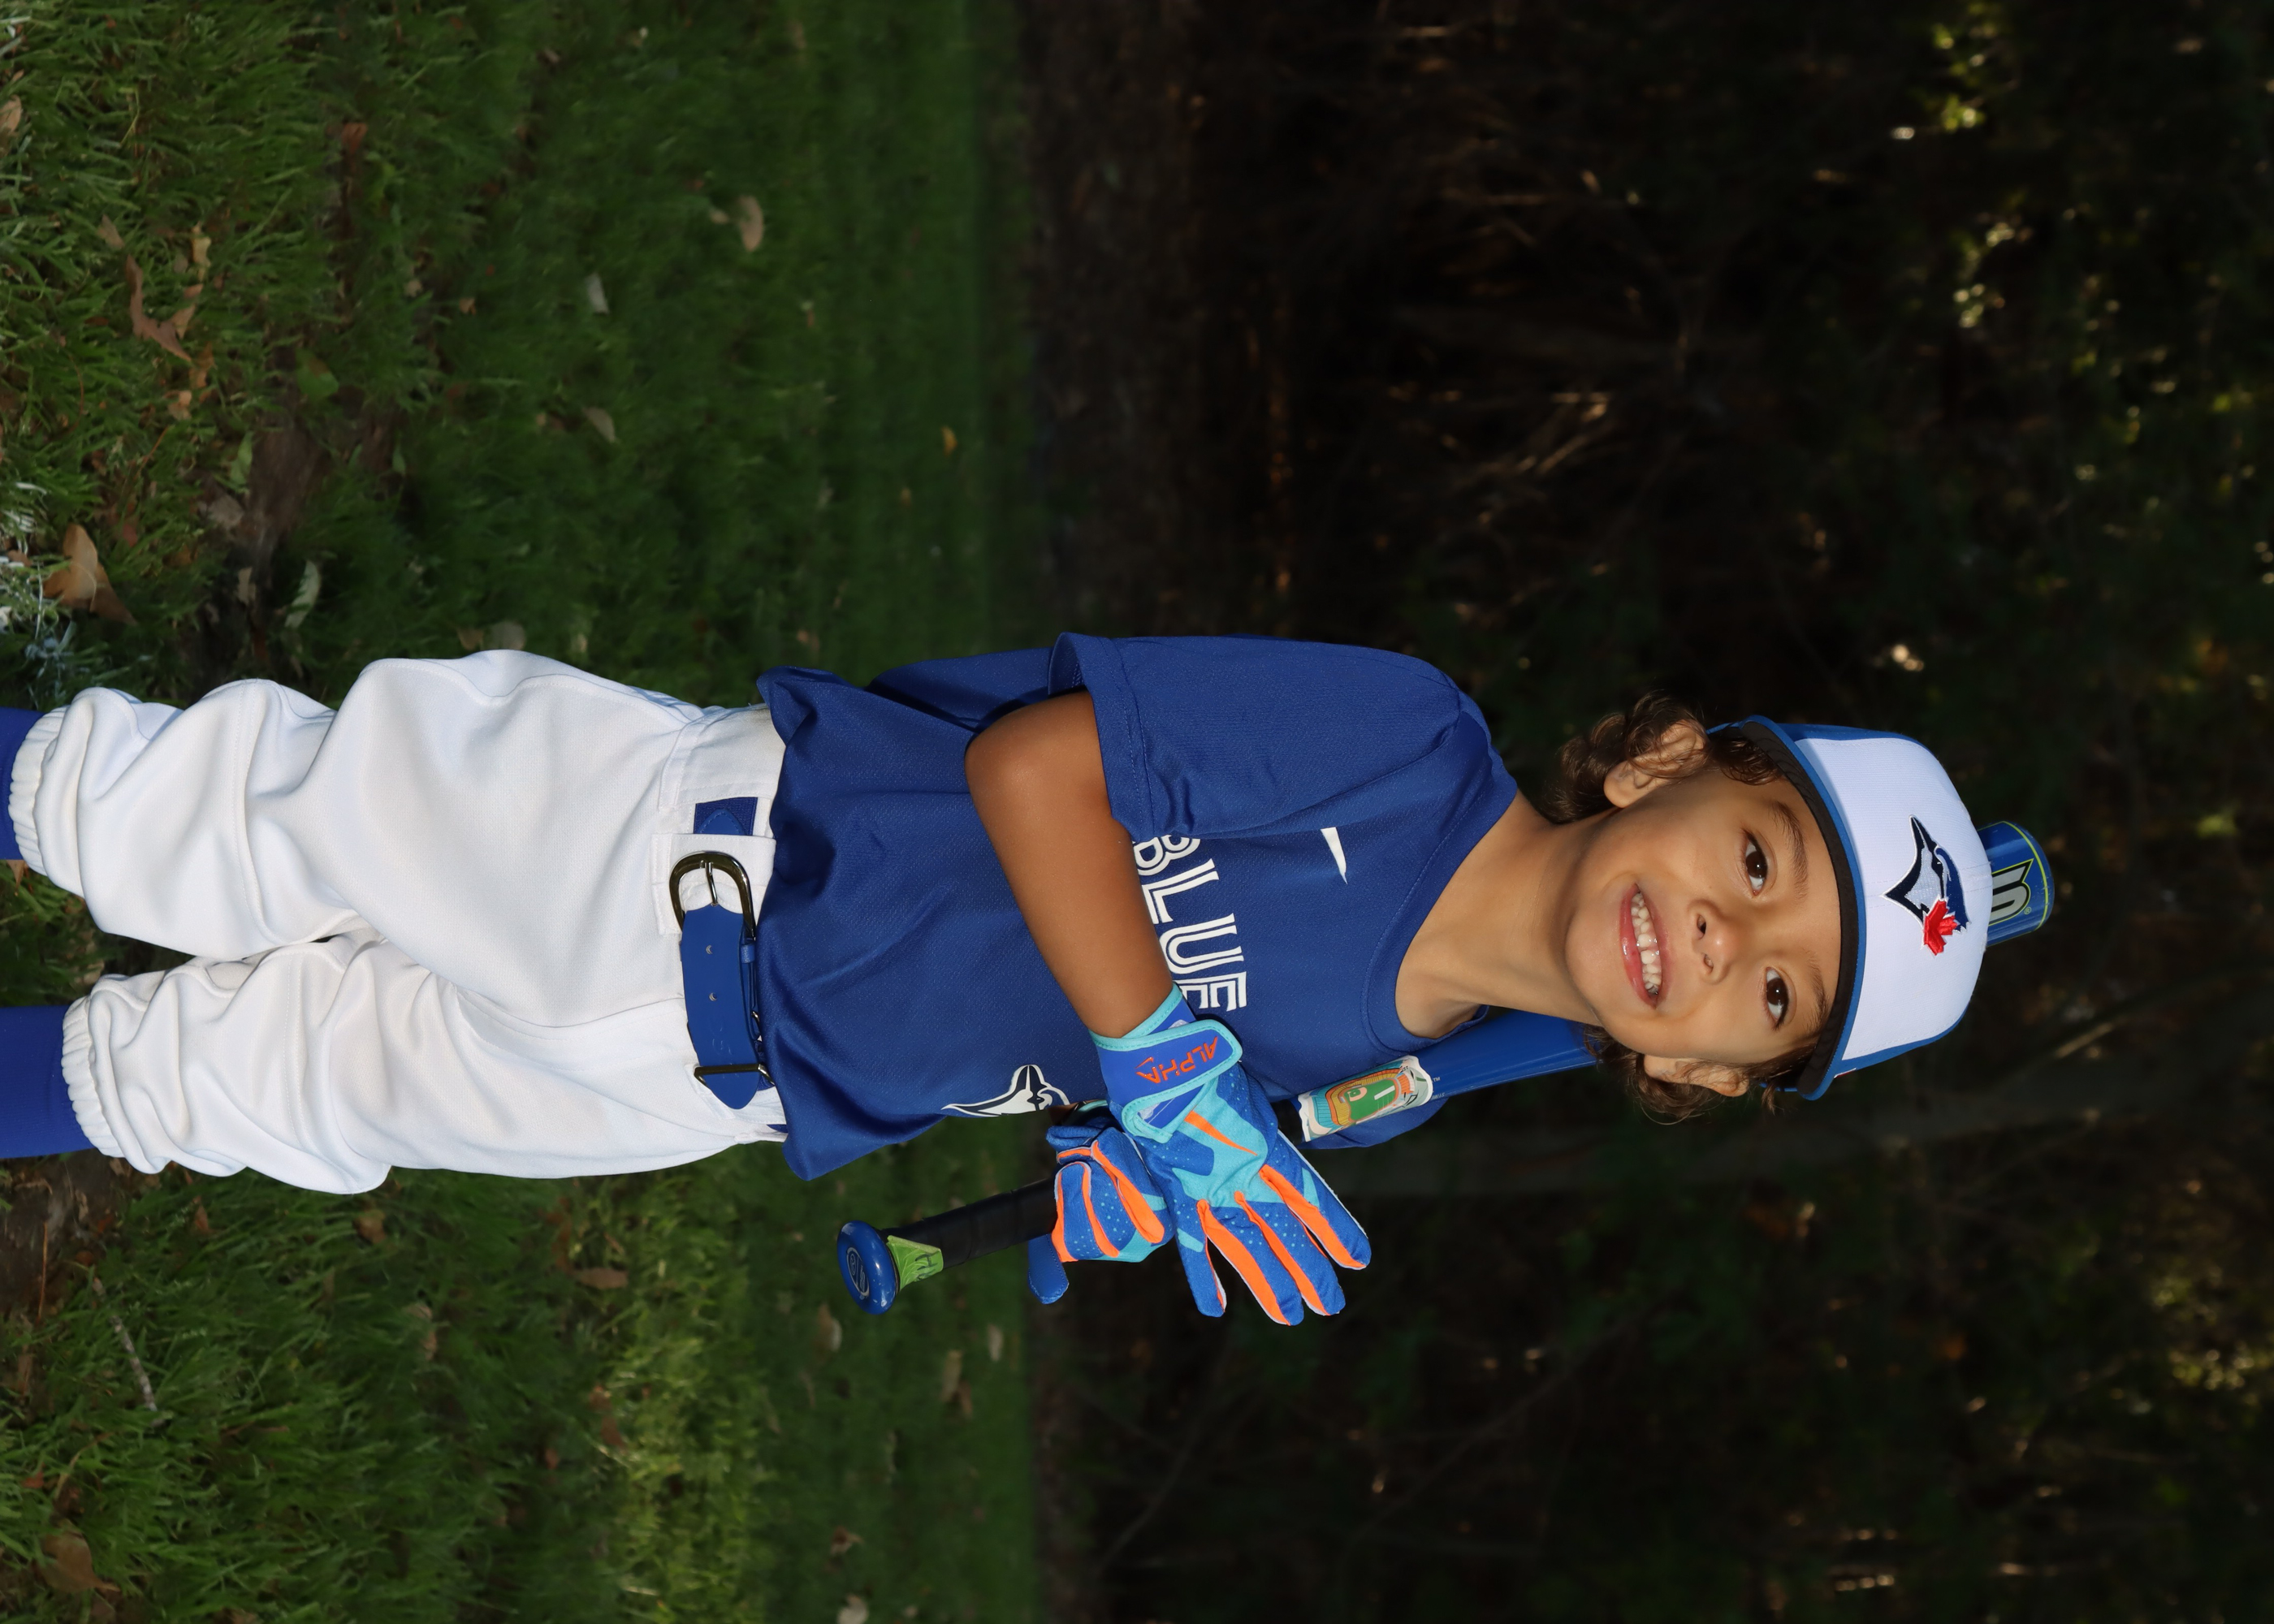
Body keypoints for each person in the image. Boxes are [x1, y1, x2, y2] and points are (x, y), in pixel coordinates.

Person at [0, 635, 2051, 1324]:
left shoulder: (1419, 1071)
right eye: (1757, 864)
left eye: (1771, 1001)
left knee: (240, 1089)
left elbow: (1142, 1085)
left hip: (725, 1089)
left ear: (1701, 1079)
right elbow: (1037, 772)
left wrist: (1116, 1156)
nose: (1723, 942)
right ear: (1665, 765)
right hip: (699, 848)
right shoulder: (1405, 744)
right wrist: (1160, 1054)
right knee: (192, 817)